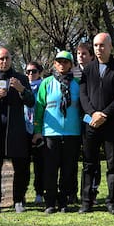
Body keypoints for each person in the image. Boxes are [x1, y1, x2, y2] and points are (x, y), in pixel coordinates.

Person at [0, 47, 35, 214]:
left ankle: (18, 200)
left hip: (16, 131)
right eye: (1, 59)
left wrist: (21, 89)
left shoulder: (21, 78)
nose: (4, 61)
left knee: (21, 168)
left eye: (7, 58)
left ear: (11, 59)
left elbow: (31, 102)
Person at [79, 33, 114, 214]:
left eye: (102, 45)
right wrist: (93, 114)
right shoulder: (88, 70)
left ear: (109, 47)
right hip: (91, 124)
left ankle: (111, 201)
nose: (98, 49)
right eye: (95, 45)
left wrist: (105, 114)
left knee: (113, 164)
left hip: (112, 124)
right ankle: (86, 201)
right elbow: (83, 95)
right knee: (89, 164)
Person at [33, 51, 81, 214]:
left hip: (72, 133)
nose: (62, 64)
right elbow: (39, 107)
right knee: (50, 170)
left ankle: (64, 201)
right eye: (59, 61)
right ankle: (50, 202)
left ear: (71, 65)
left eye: (66, 62)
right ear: (54, 64)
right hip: (50, 133)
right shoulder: (46, 83)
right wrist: (37, 130)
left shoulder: (78, 83)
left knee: (68, 170)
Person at [70, 42, 99, 205]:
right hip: (74, 122)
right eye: (79, 54)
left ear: (91, 56)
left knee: (92, 159)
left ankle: (92, 192)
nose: (81, 56)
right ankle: (72, 192)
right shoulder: (71, 73)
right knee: (72, 159)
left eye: (84, 54)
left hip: (92, 120)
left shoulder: (97, 71)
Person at [24, 61, 45, 204]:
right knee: (23, 165)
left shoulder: (44, 86)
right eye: (28, 72)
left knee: (40, 165)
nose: (31, 74)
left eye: (34, 71)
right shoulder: (21, 87)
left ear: (40, 72)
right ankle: (22, 194)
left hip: (40, 130)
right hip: (24, 129)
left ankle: (39, 192)